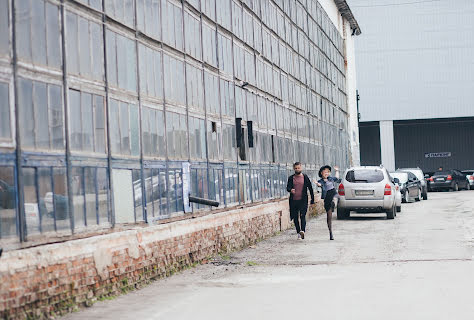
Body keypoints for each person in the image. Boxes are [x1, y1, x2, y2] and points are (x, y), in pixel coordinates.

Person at [287, 162, 315, 240]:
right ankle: (298, 232)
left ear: (301, 168)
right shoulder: (291, 178)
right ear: (294, 169)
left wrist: (312, 199)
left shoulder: (305, 177)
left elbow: (310, 188)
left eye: (298, 168)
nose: (297, 169)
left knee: (302, 215)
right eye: (296, 168)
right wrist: (290, 190)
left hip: (303, 200)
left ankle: (302, 231)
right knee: (295, 217)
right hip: (294, 201)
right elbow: (287, 187)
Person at [317, 165, 341, 240]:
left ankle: (334, 204)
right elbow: (319, 184)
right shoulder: (320, 181)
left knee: (336, 197)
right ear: (321, 173)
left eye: (328, 172)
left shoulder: (331, 179)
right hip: (327, 198)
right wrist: (317, 184)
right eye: (325, 172)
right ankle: (330, 233)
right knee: (329, 217)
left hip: (333, 194)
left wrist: (337, 171)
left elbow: (337, 178)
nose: (326, 173)